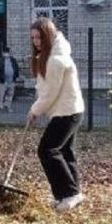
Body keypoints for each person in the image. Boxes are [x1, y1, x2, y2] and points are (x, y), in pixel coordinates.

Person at [27, 18, 85, 213]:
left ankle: (68, 194)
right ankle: (71, 194)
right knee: (64, 151)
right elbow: (45, 89)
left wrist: (35, 110)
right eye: (33, 38)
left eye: (39, 37)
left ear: (49, 36)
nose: (36, 41)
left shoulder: (55, 60)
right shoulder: (51, 55)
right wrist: (38, 107)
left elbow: (50, 92)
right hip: (70, 110)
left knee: (47, 150)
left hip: (67, 112)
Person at [0, 46, 20, 113]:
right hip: (3, 81)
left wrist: (15, 76)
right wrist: (0, 77)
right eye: (5, 52)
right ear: (3, 53)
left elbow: (16, 68)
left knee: (10, 94)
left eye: (8, 52)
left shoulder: (13, 60)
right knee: (1, 95)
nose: (7, 54)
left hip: (11, 80)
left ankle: (7, 106)